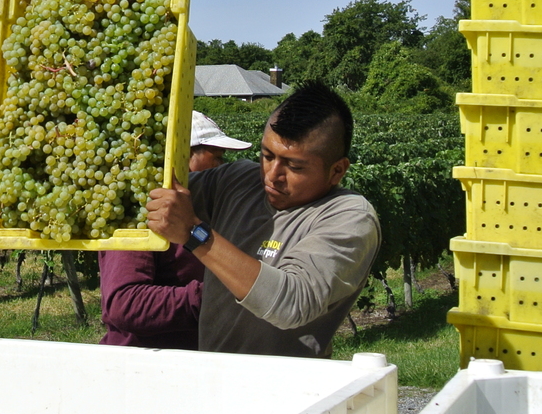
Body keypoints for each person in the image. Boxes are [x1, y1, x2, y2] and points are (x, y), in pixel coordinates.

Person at [144, 81, 381, 357]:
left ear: (337, 171)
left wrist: (194, 233)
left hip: (289, 394)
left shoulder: (349, 217)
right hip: (214, 382)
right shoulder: (237, 181)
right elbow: (154, 193)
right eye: (267, 156)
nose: (272, 175)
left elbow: (292, 303)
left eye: (294, 166)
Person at [97, 112, 252, 349]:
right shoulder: (142, 216)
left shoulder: (201, 213)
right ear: (183, 158)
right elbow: (125, 303)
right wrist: (217, 298)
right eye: (218, 158)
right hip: (142, 369)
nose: (223, 168)